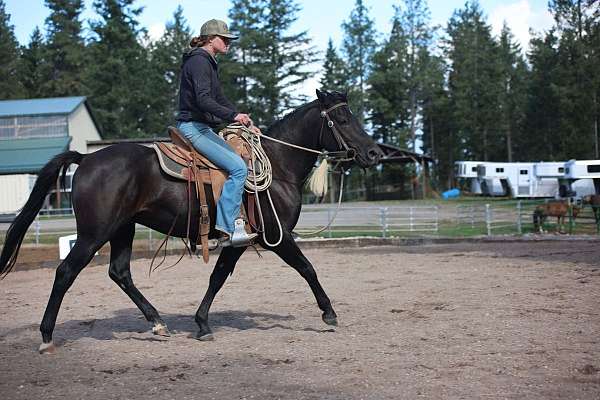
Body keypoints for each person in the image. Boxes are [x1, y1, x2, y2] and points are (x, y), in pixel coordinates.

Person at [177, 19, 259, 247]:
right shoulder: (200, 62)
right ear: (211, 39)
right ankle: (227, 227)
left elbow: (219, 98)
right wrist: (233, 117)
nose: (228, 43)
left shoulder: (207, 62)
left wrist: (241, 119)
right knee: (239, 168)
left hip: (202, 127)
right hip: (194, 127)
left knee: (239, 161)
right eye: (224, 39)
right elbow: (204, 100)